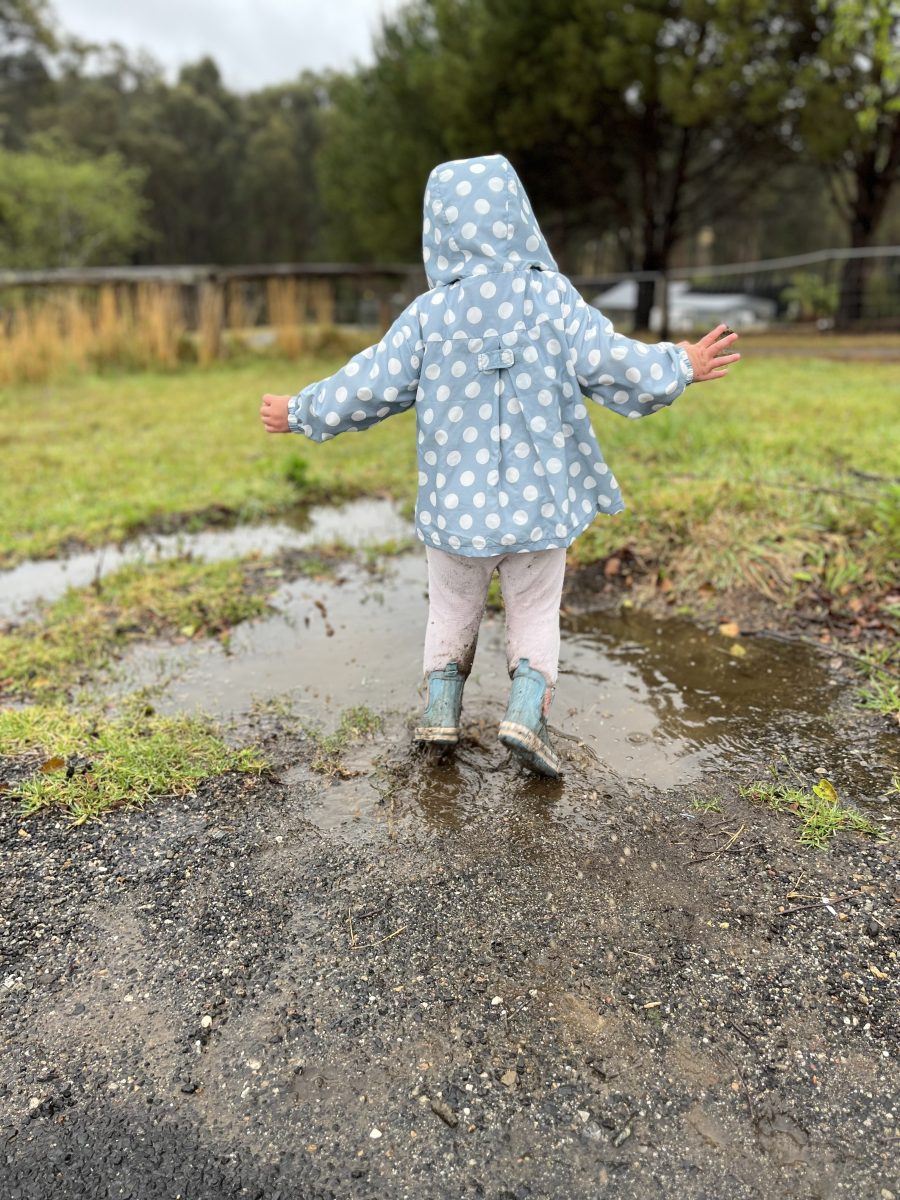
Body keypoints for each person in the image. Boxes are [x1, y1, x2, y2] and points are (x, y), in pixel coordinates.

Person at [260, 153, 740, 779]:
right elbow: (611, 361)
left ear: (440, 228)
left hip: (454, 514)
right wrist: (680, 364)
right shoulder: (552, 299)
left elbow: (368, 383)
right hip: (539, 507)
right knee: (535, 611)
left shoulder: (429, 316)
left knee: (450, 609)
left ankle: (440, 709)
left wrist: (300, 409)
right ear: (519, 216)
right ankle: (525, 712)